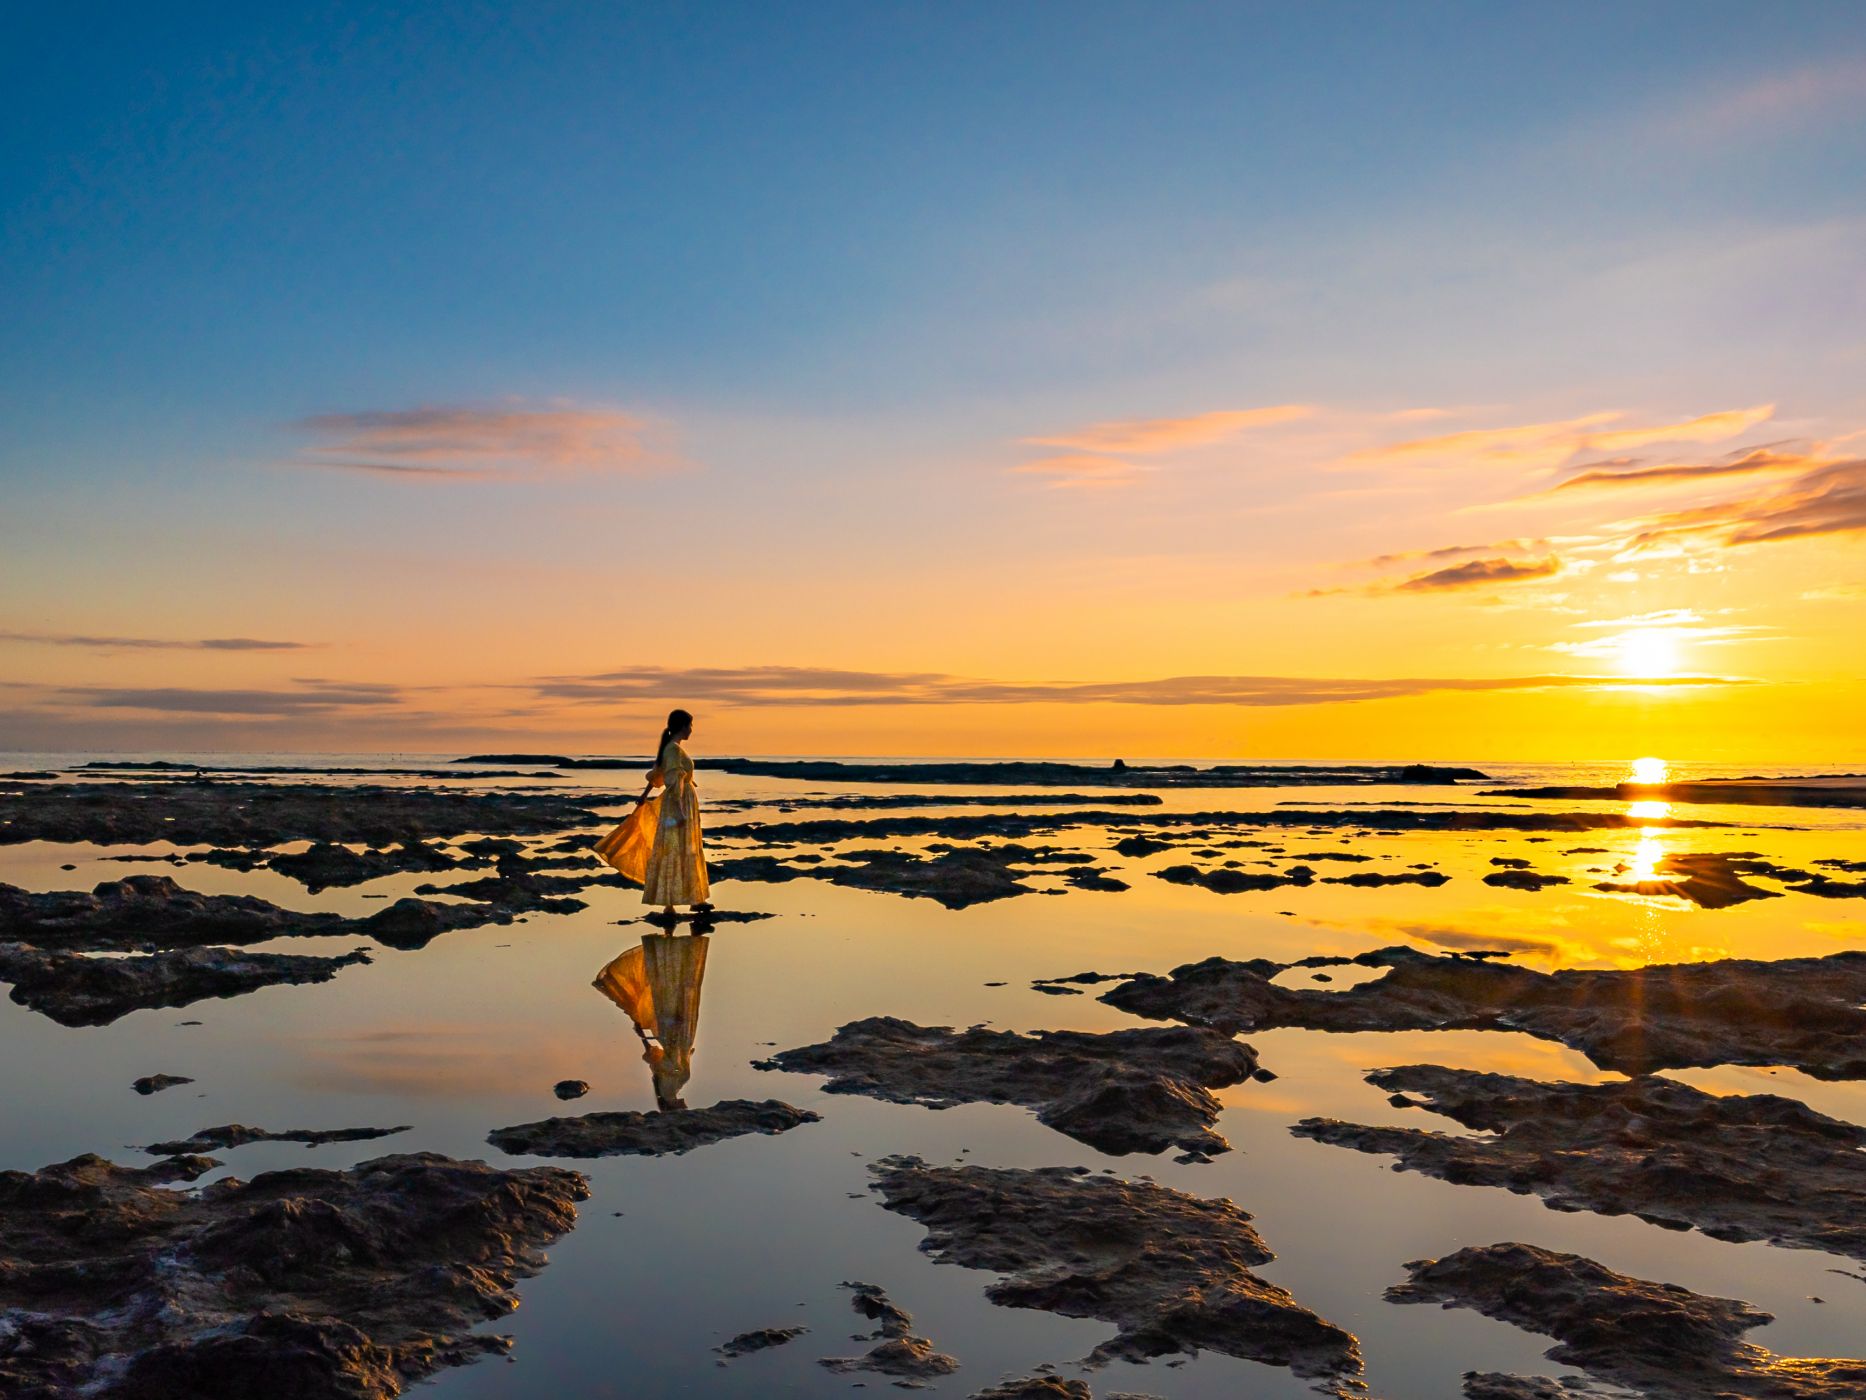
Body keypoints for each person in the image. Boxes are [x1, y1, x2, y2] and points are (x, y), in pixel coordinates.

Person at [641, 707, 710, 923]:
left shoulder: (672, 749)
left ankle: (691, 899)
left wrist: (643, 796)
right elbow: (672, 782)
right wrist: (680, 812)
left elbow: (657, 775)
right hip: (678, 804)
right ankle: (672, 903)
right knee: (675, 848)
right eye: (690, 725)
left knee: (682, 848)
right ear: (682, 727)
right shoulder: (673, 750)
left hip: (682, 803)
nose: (691, 729)